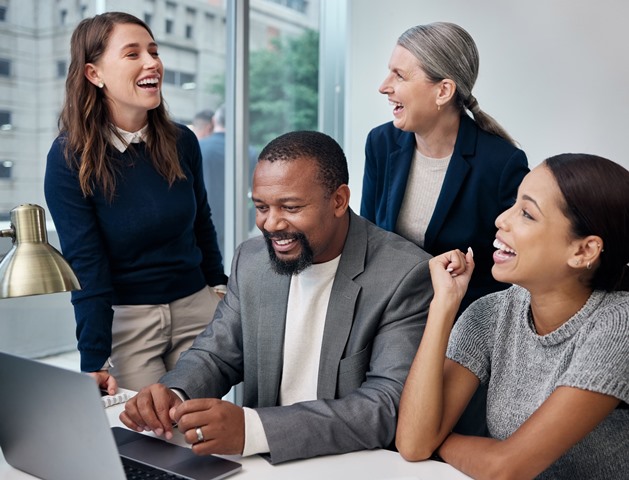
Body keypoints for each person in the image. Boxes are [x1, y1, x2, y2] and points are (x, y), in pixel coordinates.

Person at [120, 130, 434, 464]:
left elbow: (385, 404)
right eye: (261, 207)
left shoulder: (404, 273)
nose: (271, 224)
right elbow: (217, 354)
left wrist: (254, 430)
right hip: (260, 464)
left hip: (351, 463)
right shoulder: (252, 259)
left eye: (291, 207)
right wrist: (174, 392)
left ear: (339, 201)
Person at [396, 153, 629, 479]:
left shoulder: (618, 325)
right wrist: (443, 305)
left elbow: (506, 467)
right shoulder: (489, 314)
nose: (501, 219)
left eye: (527, 214)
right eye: (514, 204)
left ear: (583, 251)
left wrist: (440, 442)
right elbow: (412, 443)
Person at [44, 12, 228, 393]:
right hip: (129, 322)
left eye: (153, 51)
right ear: (94, 74)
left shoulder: (182, 141)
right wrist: (93, 358)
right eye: (133, 54)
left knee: (200, 429)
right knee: (151, 437)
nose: (152, 62)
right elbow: (86, 263)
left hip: (197, 309)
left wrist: (219, 289)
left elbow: (201, 223)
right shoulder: (69, 158)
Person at [361, 21, 529, 313]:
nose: (383, 86)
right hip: (389, 312)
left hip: (465, 321)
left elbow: (519, 265)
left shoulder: (501, 164)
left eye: (399, 75)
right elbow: (368, 239)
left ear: (443, 91)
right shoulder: (381, 143)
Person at [199, 104, 258, 254]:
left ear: (214, 121)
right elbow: (256, 193)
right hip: (237, 223)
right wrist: (250, 221)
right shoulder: (249, 152)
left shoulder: (199, 147)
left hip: (201, 222)